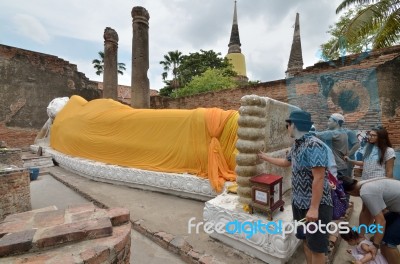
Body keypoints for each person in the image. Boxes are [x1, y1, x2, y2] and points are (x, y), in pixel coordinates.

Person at [258, 109, 333, 264]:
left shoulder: (313, 145)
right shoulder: (298, 145)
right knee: (305, 240)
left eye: (288, 125)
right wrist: (265, 157)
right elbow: (286, 162)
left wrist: (313, 208)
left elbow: (319, 177)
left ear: (294, 125)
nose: (287, 129)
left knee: (317, 248)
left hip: (315, 206)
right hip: (299, 202)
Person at [344, 126, 396, 239]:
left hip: (379, 185)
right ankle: (362, 235)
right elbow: (364, 163)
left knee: (379, 212)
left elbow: (389, 171)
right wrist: (351, 161)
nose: (370, 137)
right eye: (369, 135)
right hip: (365, 183)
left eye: (373, 135)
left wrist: (388, 188)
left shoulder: (388, 151)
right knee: (365, 209)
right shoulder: (368, 148)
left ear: (381, 137)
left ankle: (377, 237)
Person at [343, 178, 400, 264]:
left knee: (388, 241)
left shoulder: (365, 192)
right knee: (381, 235)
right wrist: (361, 235)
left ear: (349, 193)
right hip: (397, 210)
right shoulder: (363, 185)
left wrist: (375, 245)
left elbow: (381, 221)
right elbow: (365, 212)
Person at [314, 113, 349, 181]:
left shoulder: (334, 133)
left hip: (336, 167)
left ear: (336, 123)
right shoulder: (344, 132)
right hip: (342, 165)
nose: (328, 123)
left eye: (329, 121)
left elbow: (313, 135)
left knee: (335, 188)